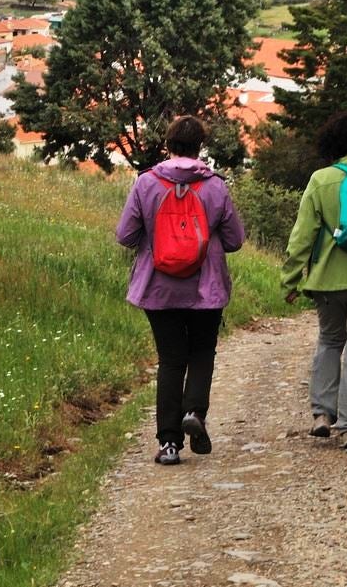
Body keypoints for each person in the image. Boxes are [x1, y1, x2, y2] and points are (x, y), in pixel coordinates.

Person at [117, 115, 246, 466]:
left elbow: (125, 236)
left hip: (158, 288)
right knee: (202, 352)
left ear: (168, 143)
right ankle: (195, 412)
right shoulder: (216, 186)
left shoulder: (146, 183)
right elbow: (234, 240)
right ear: (200, 145)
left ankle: (169, 444)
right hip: (207, 288)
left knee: (171, 360)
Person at [283, 110, 347, 450]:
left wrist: (290, 278)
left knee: (329, 342)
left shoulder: (321, 179)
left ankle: (322, 415)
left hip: (325, 281)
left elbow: (302, 235)